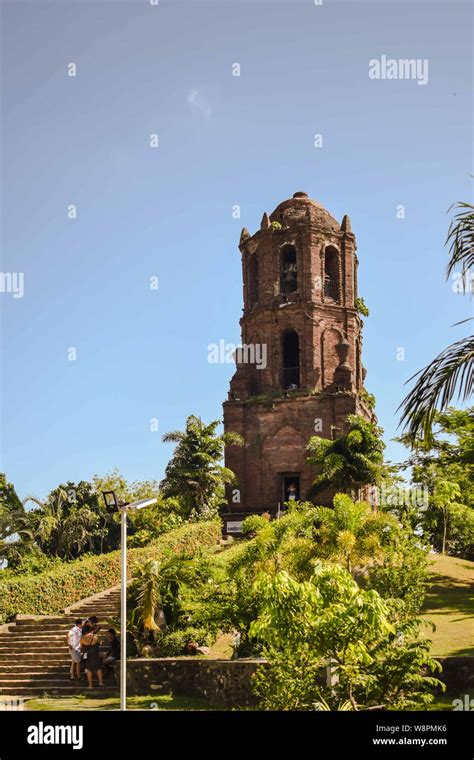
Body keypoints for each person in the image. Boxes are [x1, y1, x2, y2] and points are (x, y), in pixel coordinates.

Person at [80, 622, 104, 688]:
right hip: (95, 654)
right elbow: (99, 643)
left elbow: (81, 647)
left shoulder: (82, 638)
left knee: (88, 669)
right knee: (98, 668)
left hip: (87, 655)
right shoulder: (95, 636)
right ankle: (101, 682)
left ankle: (90, 685)